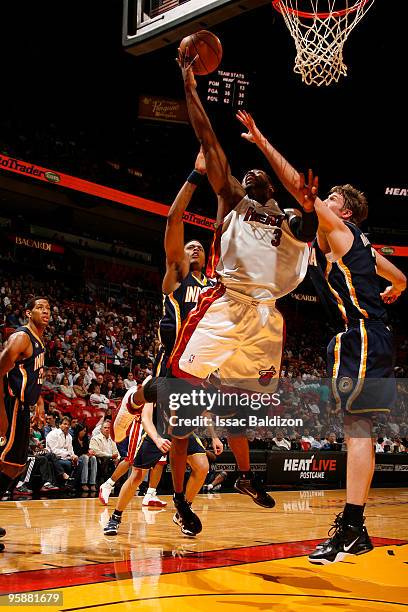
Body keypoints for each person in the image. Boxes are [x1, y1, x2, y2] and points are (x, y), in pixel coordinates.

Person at [235, 110, 407, 564]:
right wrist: (397, 288)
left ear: (344, 211)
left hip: (363, 336)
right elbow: (402, 276)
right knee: (358, 428)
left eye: (331, 200)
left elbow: (296, 187)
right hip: (368, 335)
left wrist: (261, 140)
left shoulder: (343, 230)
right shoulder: (360, 243)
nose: (322, 202)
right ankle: (358, 529)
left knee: (357, 431)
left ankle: (351, 525)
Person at [106, 150, 222, 536]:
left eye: (199, 249)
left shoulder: (212, 288)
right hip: (166, 376)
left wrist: (224, 193)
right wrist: (196, 175)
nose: (193, 250)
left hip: (193, 378)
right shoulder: (175, 280)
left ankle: (181, 508)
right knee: (139, 473)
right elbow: (174, 219)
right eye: (188, 248)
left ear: (206, 259)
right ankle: (116, 515)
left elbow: (223, 238)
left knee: (202, 466)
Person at [0, 296, 50, 552]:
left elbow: (33, 377)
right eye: (40, 307)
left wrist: (39, 402)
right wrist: (2, 412)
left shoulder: (40, 341)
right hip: (10, 405)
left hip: (23, 408)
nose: (46, 311)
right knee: (7, 463)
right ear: (28, 313)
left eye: (48, 308)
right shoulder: (22, 338)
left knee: (15, 466)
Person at [72, 423, 97, 492]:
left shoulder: (86, 439)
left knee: (94, 458)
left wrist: (90, 452)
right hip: (77, 457)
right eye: (82, 431)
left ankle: (92, 483)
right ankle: (84, 483)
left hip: (85, 456)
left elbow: (87, 449)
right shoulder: (73, 440)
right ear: (78, 431)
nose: (84, 432)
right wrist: (87, 454)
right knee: (85, 457)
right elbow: (76, 452)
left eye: (85, 431)